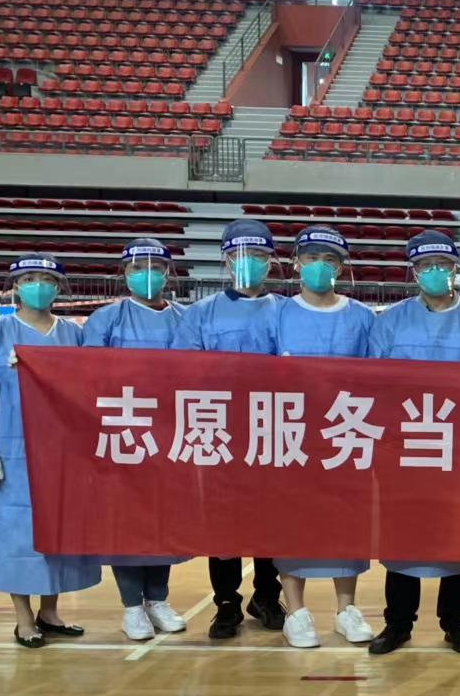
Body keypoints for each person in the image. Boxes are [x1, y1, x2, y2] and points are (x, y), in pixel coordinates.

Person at [368, 228, 460, 655]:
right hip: (404, 446)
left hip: (459, 447)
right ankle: (398, 622)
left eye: (441, 265)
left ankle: (456, 622)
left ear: (455, 268)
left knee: (458, 534)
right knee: (402, 532)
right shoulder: (389, 322)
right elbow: (376, 385)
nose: (434, 272)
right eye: (425, 266)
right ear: (413, 272)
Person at [0, 255, 101, 647]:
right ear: (15, 286)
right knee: (17, 531)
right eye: (29, 278)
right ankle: (23, 617)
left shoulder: (73, 335)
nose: (38, 286)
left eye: (46, 279)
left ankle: (50, 610)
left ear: (59, 287)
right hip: (15, 448)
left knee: (59, 527)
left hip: (63, 450)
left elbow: (89, 389)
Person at [258, 226, 377, 650]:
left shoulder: (362, 318)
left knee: (347, 522)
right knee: (292, 522)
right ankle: (296, 612)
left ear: (341, 268)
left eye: (329, 259)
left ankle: (346, 609)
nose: (319, 266)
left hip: (347, 434)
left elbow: (377, 376)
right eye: (311, 258)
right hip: (292, 434)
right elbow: (259, 374)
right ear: (296, 263)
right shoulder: (276, 314)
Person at [172, 217, 285, 640]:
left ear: (270, 262)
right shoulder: (201, 314)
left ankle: (267, 596)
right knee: (222, 523)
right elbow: (183, 372)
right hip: (218, 431)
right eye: (240, 255)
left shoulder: (285, 311)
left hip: (273, 430)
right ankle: (226, 603)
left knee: (271, 519)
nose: (248, 262)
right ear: (226, 260)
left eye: (257, 255)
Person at [82, 238, 191, 642]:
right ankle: (132, 606)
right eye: (137, 268)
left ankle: (158, 599)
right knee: (125, 522)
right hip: (121, 434)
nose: (147, 274)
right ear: (125, 273)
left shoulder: (185, 319)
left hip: (171, 434)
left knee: (162, 519)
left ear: (167, 274)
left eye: (155, 267)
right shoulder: (106, 320)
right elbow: (86, 376)